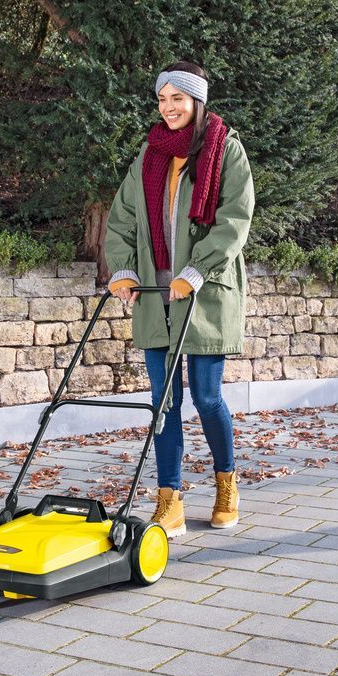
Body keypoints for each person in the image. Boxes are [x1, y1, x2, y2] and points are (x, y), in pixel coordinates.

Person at [103, 60, 255, 537]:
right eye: (162, 99)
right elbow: (122, 217)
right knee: (163, 399)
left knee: (207, 398)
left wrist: (196, 271)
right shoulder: (149, 156)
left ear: (197, 101)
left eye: (178, 99)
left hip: (204, 295)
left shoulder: (225, 150)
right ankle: (168, 498)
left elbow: (235, 219)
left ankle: (226, 483)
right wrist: (123, 269)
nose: (168, 108)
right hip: (156, 294)